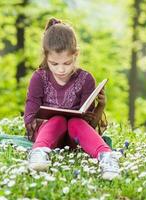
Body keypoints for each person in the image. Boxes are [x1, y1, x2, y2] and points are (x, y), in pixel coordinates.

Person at [23, 18, 120, 180]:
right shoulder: (39, 78)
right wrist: (48, 118)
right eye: (54, 64)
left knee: (75, 122)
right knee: (59, 119)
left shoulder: (86, 79)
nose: (61, 69)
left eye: (67, 63)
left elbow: (89, 126)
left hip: (76, 137)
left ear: (76, 55)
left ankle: (107, 158)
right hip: (46, 135)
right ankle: (38, 153)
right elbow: (29, 118)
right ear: (46, 57)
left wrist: (101, 106)